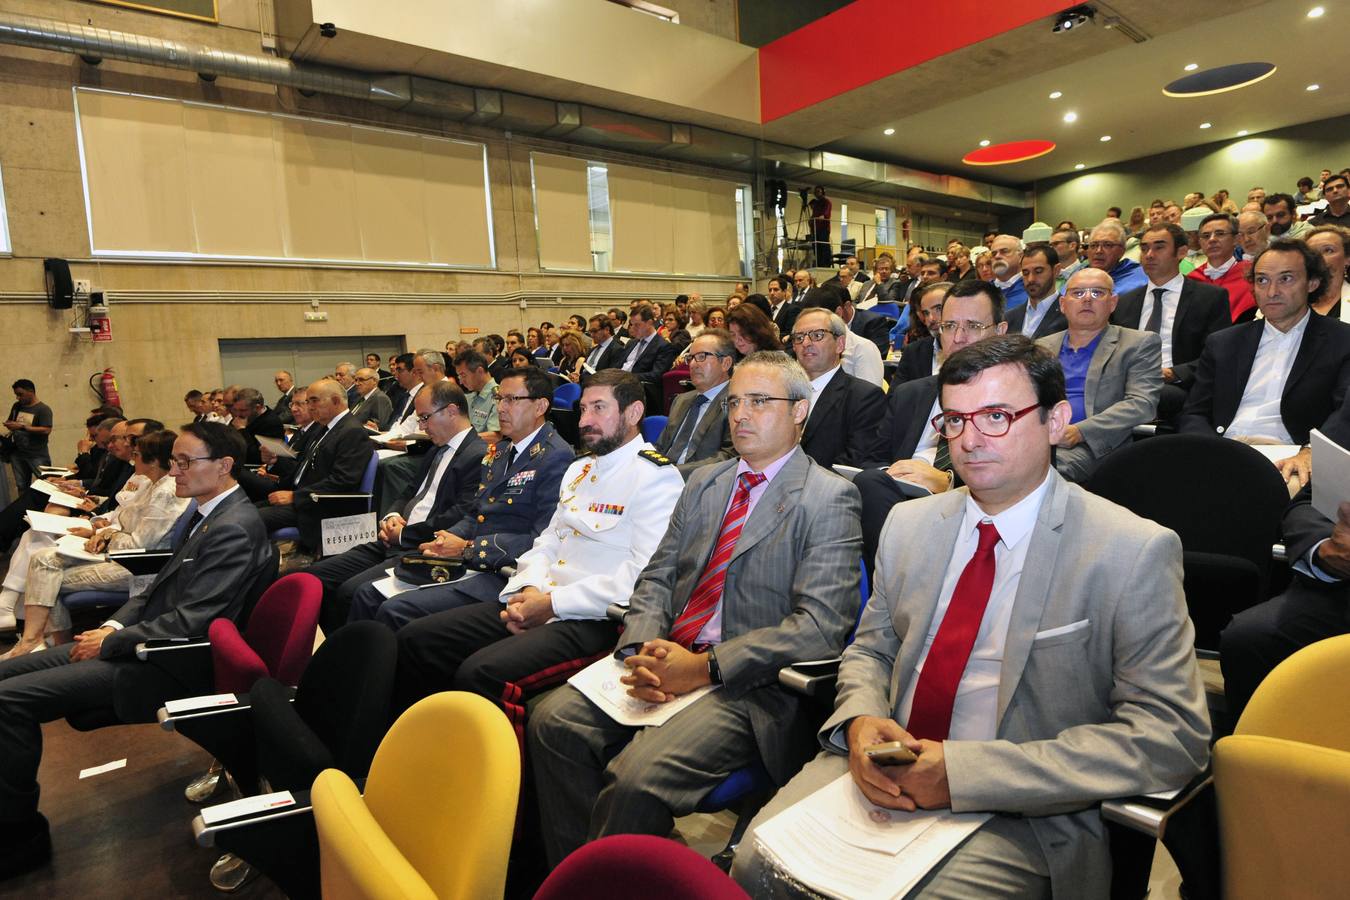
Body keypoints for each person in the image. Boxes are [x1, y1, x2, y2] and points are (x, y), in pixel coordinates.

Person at [731, 335, 1210, 900]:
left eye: (998, 416)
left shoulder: (1129, 550)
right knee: (754, 864)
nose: (971, 439)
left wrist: (962, 774)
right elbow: (870, 651)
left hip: (1021, 810)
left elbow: (1172, 737)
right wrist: (860, 720)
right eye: (954, 420)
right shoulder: (910, 525)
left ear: (1056, 420)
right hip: (881, 767)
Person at [528, 351, 863, 867]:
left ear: (800, 411)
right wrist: (638, 649)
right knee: (553, 723)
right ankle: (586, 876)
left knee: (636, 778)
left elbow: (819, 628)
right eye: (733, 403)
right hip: (667, 654)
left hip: (747, 684)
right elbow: (659, 576)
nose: (741, 415)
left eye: (759, 401)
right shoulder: (705, 482)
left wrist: (703, 668)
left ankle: (618, 877)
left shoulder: (828, 498)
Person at [0, 423, 274, 876]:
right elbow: (154, 591)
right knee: (6, 677)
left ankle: (17, 836)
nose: (175, 471)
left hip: (171, 660)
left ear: (224, 466)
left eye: (186, 462)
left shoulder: (235, 527)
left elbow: (193, 620)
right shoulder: (206, 513)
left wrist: (113, 638)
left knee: (8, 702)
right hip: (145, 639)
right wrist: (110, 624)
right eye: (175, 461)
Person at [390, 369, 684, 747]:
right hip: (538, 597)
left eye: (599, 408)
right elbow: (547, 541)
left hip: (594, 616)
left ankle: (503, 794)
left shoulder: (656, 476)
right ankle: (419, 751)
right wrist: (527, 589)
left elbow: (642, 575)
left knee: (481, 673)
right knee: (419, 640)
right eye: (582, 409)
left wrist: (551, 604)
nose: (585, 421)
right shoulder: (580, 470)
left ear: (634, 412)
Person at [345, 367, 573, 629]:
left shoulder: (555, 457)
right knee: (368, 594)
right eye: (499, 399)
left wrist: (467, 547)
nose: (501, 408)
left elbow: (541, 537)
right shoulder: (500, 451)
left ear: (540, 406)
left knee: (394, 609)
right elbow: (476, 513)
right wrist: (445, 538)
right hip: (470, 558)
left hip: (505, 570)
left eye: (512, 400)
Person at [303, 381, 487, 635]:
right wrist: (392, 515)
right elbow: (409, 491)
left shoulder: (478, 455)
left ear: (452, 411)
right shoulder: (436, 448)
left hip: (421, 546)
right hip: (395, 539)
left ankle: (351, 658)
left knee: (350, 592)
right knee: (313, 577)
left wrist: (402, 534)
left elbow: (457, 516)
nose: (421, 426)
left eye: (424, 418)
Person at [855, 280, 1008, 575]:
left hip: (969, 509)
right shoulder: (910, 394)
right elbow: (871, 459)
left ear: (1000, 332)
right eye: (950, 326)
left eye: (973, 326)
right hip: (897, 498)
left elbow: (1021, 483)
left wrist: (947, 483)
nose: (959, 338)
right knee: (867, 484)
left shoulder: (1016, 402)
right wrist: (896, 474)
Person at [1220, 398, 1350, 722]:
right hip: (1342, 586)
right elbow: (1308, 502)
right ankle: (1253, 765)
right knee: (1249, 638)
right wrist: (1322, 549)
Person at [3, 429, 188, 657]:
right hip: (120, 554)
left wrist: (106, 536)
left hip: (137, 567)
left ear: (153, 461)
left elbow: (139, 545)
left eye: (137, 454)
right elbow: (122, 519)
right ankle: (43, 642)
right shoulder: (153, 484)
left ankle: (48, 647)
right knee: (43, 559)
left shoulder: (166, 493)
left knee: (48, 575)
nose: (132, 458)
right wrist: (103, 532)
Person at [1179, 239, 1350, 445]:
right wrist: (1213, 451)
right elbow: (1194, 413)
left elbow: (1345, 415)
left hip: (1293, 454)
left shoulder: (1341, 340)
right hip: (1226, 449)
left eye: (1285, 279)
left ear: (1312, 283)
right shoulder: (1224, 343)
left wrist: (1313, 452)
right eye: (1262, 280)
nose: (1271, 292)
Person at [1035, 269, 1162, 482]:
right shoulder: (1040, 347)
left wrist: (1080, 431)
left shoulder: (1138, 343)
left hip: (1095, 445)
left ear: (1112, 303)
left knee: (1045, 474)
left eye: (1097, 293)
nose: (1086, 299)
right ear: (1063, 304)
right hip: (1039, 439)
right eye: (1077, 293)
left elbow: (1143, 403)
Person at [1112, 222, 1232, 421]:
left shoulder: (1210, 297)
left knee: (1159, 396)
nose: (1149, 254)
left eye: (1159, 247)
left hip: (1177, 385)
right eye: (1144, 248)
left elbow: (1218, 354)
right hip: (1128, 383)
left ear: (1182, 252)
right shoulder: (1125, 302)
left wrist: (1172, 373)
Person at [257, 380, 375, 552]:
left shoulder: (352, 431)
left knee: (251, 518)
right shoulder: (324, 428)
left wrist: (295, 497)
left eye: (314, 400)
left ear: (335, 401)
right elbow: (301, 466)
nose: (310, 406)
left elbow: (343, 481)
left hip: (321, 506)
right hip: (306, 498)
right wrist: (275, 461)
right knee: (243, 510)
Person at [792, 308, 886, 468]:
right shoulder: (783, 392)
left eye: (817, 335)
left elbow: (854, 463)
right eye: (799, 338)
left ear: (840, 344)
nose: (806, 343)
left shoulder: (864, 397)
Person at [653, 330, 736, 478]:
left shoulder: (737, 403)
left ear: (725, 363)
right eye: (690, 358)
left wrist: (673, 474)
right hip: (660, 480)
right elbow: (661, 447)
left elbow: (729, 458)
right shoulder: (681, 400)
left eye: (701, 357)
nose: (692, 364)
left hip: (699, 485)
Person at [1187, 213, 1257, 323]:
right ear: (1200, 242)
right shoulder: (1191, 280)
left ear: (1236, 239)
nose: (1212, 240)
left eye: (1220, 234)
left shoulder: (1252, 274)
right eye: (1206, 236)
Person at [890, 283, 951, 385]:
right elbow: (895, 396)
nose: (931, 319)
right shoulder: (913, 351)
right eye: (926, 313)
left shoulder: (975, 349)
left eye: (938, 309)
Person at [1004, 244, 1067, 338]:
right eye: (1025, 273)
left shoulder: (1068, 313)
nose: (1030, 279)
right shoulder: (1009, 317)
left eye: (1038, 271)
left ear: (1056, 271)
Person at [4, 381, 53, 490]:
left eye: (20, 394)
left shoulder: (43, 409)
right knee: (21, 485)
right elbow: (11, 420)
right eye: (16, 395)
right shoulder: (17, 406)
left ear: (30, 391)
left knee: (47, 484)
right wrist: (9, 424)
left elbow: (46, 430)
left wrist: (22, 427)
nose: (18, 397)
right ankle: (24, 506)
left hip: (37, 454)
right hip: (17, 452)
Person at [1085, 219, 1147, 295]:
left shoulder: (1140, 278)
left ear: (1122, 251)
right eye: (1093, 245)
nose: (1098, 251)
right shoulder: (1079, 275)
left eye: (1107, 245)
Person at [453, 350, 501, 445]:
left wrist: (460, 439)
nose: (461, 382)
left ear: (479, 371)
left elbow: (496, 436)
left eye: (463, 375)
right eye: (459, 376)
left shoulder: (498, 397)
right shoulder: (469, 396)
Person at [1308, 225, 1350, 319]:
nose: (1318, 257)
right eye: (1312, 252)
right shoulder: (1294, 300)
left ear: (1347, 259)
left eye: (1328, 250)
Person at [988, 235, 1027, 309]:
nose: (997, 256)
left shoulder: (1033, 289)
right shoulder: (983, 290)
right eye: (993, 254)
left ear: (1021, 256)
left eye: (1004, 251)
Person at [807, 185, 832, 267]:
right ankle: (819, 264)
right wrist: (811, 220)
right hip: (816, 229)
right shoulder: (816, 204)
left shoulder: (827, 201)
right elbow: (814, 214)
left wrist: (823, 216)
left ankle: (826, 265)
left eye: (819, 191)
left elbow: (827, 212)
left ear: (822, 192)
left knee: (824, 246)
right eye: (816, 192)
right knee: (816, 247)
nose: (817, 193)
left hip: (824, 228)